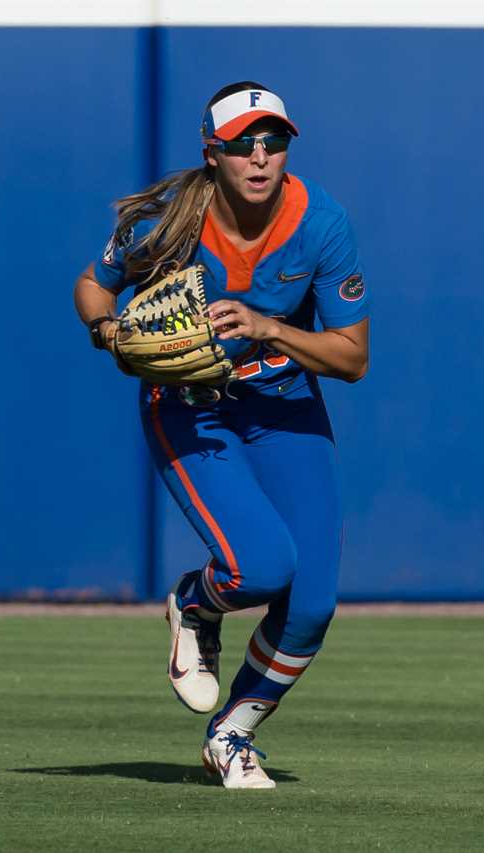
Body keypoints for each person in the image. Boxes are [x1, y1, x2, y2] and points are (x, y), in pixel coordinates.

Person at [72, 81, 370, 789]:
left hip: (283, 402)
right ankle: (195, 604)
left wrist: (270, 327)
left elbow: (352, 358)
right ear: (214, 154)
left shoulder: (321, 222)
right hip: (189, 404)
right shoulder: (167, 221)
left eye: (274, 141)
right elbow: (93, 285)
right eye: (243, 144)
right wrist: (109, 332)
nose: (261, 156)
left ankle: (233, 733)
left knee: (313, 602)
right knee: (262, 566)